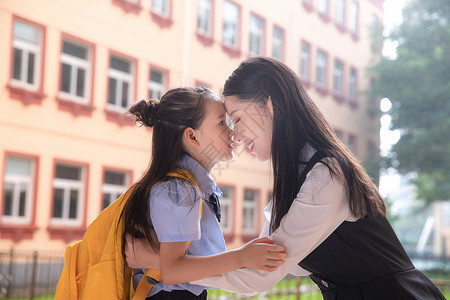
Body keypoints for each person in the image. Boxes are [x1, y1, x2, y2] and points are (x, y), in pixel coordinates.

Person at [127, 58, 446, 300]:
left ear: (269, 105)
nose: (235, 136)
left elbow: (257, 276)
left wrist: (159, 260)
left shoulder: (325, 176)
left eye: (236, 119)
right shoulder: (295, 177)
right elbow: (263, 260)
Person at [121, 86, 287, 300]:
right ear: (192, 136)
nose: (232, 132)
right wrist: (241, 257)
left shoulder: (187, 187)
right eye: (221, 123)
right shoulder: (179, 190)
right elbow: (172, 271)